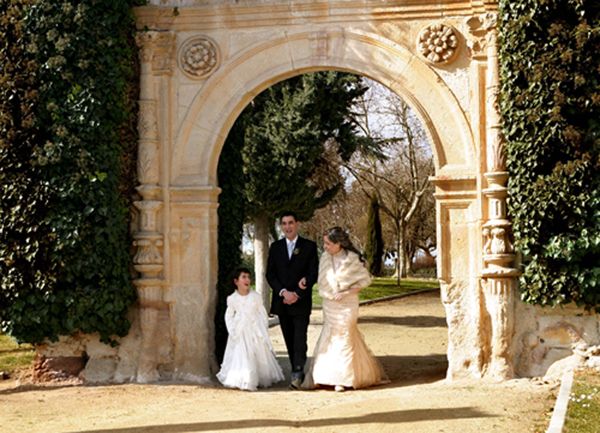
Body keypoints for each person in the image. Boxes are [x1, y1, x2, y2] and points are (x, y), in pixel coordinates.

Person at [304, 226, 388, 392]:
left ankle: (343, 379)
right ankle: (324, 376)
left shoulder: (353, 259)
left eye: (328, 243)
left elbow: (364, 281)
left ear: (339, 243)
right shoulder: (325, 258)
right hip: (330, 304)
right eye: (325, 243)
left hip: (348, 304)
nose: (325, 246)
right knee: (330, 336)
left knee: (345, 336)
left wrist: (346, 292)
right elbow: (322, 281)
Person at [266, 211, 319, 389]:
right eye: (284, 224)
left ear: (297, 224)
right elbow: (270, 274)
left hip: (301, 301)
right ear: (281, 226)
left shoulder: (310, 246)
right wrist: (283, 292)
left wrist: (297, 293)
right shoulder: (275, 247)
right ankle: (295, 368)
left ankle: (297, 370)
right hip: (282, 302)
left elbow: (313, 273)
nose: (287, 227)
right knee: (288, 338)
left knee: (299, 338)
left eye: (290, 223)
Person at [216, 267, 284, 391]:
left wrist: (261, 327)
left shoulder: (255, 297)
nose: (247, 280)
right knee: (241, 354)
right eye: (244, 277)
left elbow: (261, 313)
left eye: (248, 277)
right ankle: (245, 378)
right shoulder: (232, 299)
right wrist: (232, 329)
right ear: (236, 281)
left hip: (254, 330)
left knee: (256, 352)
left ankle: (257, 376)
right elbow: (229, 315)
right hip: (240, 331)